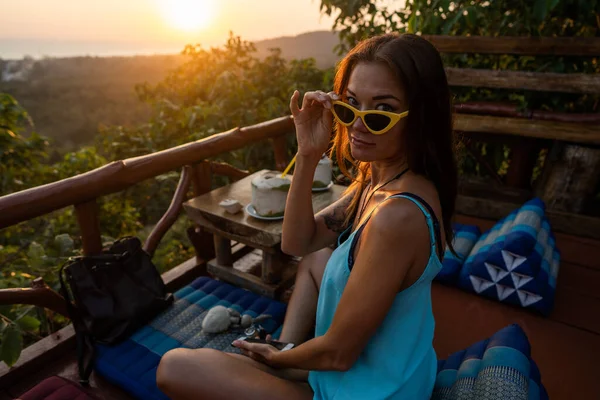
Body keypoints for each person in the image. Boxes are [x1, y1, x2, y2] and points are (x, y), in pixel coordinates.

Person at [156, 32, 458, 400]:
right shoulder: (380, 182)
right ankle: (287, 348)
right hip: (383, 371)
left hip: (369, 391)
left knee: (175, 366)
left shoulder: (398, 216)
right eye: (349, 106)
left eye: (380, 113)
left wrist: (280, 360)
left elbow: (338, 353)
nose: (358, 125)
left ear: (420, 117)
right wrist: (308, 153)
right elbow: (297, 242)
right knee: (317, 257)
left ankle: (285, 354)